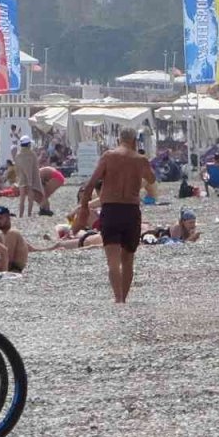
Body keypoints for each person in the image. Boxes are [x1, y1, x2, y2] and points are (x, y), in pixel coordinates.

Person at [79, 127, 155, 304]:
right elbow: (151, 179)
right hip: (131, 211)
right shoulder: (140, 160)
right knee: (128, 259)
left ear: (119, 139)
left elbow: (91, 184)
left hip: (111, 209)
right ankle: (124, 298)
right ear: (135, 141)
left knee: (112, 259)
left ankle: (118, 298)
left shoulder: (109, 156)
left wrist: (83, 207)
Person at [14, 135, 49, 216]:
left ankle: (21, 215)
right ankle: (29, 214)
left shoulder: (18, 155)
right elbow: (34, 167)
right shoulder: (32, 154)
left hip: (22, 179)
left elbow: (17, 168)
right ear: (28, 144)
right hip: (31, 179)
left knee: (22, 198)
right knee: (30, 198)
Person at [0, 206, 30, 272]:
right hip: (8, 266)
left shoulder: (12, 233)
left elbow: (9, 259)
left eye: (0, 218)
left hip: (14, 268)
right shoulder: (2, 235)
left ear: (8, 218)